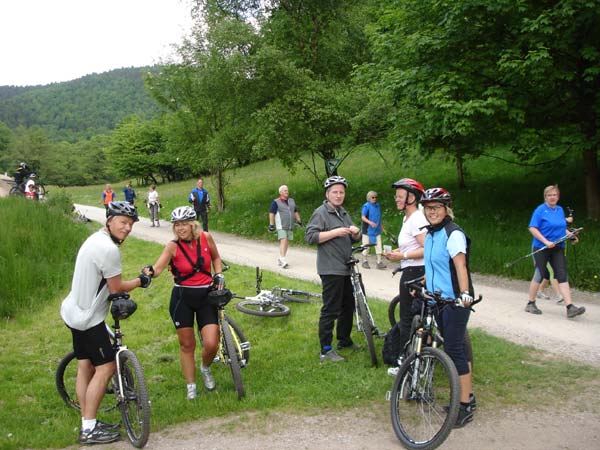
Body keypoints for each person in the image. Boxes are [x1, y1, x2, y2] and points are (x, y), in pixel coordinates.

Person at [60, 201, 152, 444]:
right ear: (109, 220)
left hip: (73, 312)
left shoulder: (94, 239)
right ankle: (89, 429)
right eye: (123, 222)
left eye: (131, 224)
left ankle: (86, 421)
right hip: (89, 318)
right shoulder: (109, 250)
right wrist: (141, 281)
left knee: (85, 366)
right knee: (106, 367)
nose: (128, 228)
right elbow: (116, 288)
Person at [143, 206, 225, 399]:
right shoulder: (172, 246)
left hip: (206, 295)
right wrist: (149, 272)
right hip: (182, 298)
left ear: (193, 224)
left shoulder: (206, 237)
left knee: (212, 343)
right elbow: (158, 268)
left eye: (184, 224)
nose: (180, 228)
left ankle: (205, 368)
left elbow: (216, 257)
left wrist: (219, 273)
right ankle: (191, 386)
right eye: (176, 225)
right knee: (187, 345)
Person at [420, 187, 476, 428]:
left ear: (446, 209)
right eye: (428, 208)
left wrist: (464, 295)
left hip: (455, 300)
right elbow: (434, 266)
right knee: (458, 346)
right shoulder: (432, 234)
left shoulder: (453, 234)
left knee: (454, 348)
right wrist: (422, 282)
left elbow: (460, 266)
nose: (432, 212)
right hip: (438, 299)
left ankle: (464, 406)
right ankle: (467, 396)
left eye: (436, 208)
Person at [305, 175, 361, 363]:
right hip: (330, 268)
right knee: (331, 309)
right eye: (335, 192)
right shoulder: (321, 213)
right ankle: (326, 350)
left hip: (346, 267)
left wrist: (355, 232)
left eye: (341, 192)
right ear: (327, 194)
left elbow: (354, 238)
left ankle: (344, 339)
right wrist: (336, 232)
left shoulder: (342, 212)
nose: (338, 195)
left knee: (348, 306)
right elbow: (311, 237)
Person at [383, 178, 428, 375]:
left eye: (400, 196)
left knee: (408, 317)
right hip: (410, 269)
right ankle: (411, 357)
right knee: (409, 316)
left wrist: (403, 256)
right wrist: (397, 252)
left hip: (416, 272)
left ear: (411, 198)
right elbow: (410, 244)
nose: (396, 199)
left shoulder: (417, 219)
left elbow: (428, 248)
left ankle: (403, 361)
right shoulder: (407, 218)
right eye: (397, 196)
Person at [524, 185, 585, 318]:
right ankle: (530, 303)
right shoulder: (540, 210)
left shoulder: (559, 210)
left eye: (555, 195)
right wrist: (546, 241)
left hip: (558, 247)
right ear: (545, 197)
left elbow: (561, 227)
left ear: (558, 196)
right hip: (542, 247)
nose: (552, 197)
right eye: (550, 195)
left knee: (562, 275)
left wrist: (571, 236)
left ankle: (570, 307)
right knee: (540, 275)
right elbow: (532, 228)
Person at [268, 184, 302, 268]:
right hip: (281, 225)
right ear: (280, 192)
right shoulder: (276, 202)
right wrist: (271, 225)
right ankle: (283, 260)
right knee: (283, 240)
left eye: (287, 190)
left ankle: (281, 258)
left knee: (287, 242)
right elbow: (271, 213)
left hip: (290, 225)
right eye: (285, 190)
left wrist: (299, 220)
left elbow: (295, 211)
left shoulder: (291, 201)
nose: (287, 192)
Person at [360, 191, 386, 269]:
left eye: (376, 197)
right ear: (369, 198)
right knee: (366, 246)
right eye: (373, 197)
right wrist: (370, 222)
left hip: (376, 229)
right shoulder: (366, 206)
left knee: (378, 245)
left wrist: (381, 225)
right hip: (367, 229)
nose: (374, 199)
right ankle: (364, 261)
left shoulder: (377, 206)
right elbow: (363, 217)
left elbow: (378, 217)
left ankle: (379, 262)